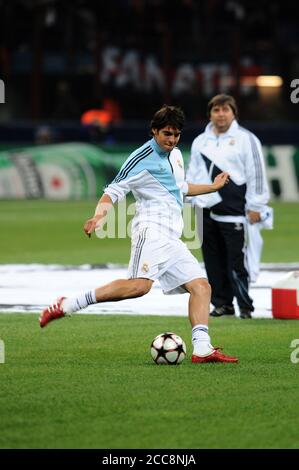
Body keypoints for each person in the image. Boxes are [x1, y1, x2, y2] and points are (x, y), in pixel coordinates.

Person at [39, 105, 238, 363]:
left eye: (176, 134)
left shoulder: (176, 154)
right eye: (167, 133)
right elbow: (114, 189)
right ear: (154, 131)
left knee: (201, 286)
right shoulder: (139, 158)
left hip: (172, 237)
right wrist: (99, 215)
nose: (172, 139)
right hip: (151, 230)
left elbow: (179, 188)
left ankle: (202, 349)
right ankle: (68, 303)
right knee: (139, 286)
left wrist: (212, 186)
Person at [186, 94, 270, 319]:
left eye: (225, 110)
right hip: (204, 208)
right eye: (216, 110)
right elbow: (192, 174)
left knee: (236, 260)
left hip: (234, 209)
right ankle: (222, 304)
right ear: (210, 114)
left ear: (234, 113)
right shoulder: (200, 142)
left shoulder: (246, 139)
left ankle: (244, 305)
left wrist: (256, 204)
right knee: (212, 260)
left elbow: (257, 174)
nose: (220, 114)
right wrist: (189, 199)